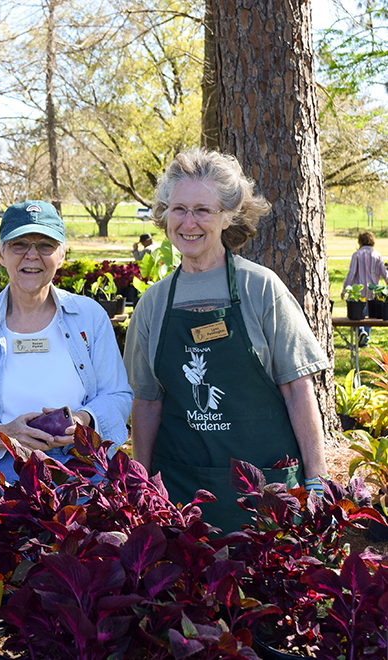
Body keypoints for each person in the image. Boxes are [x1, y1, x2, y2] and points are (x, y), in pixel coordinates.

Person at [123, 149, 329, 533]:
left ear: (227, 216)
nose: (189, 222)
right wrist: (142, 480)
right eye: (179, 209)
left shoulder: (261, 288)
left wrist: (317, 480)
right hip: (182, 495)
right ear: (165, 214)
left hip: (265, 493)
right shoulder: (152, 304)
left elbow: (298, 389)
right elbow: (147, 402)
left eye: (203, 210)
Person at [0, 200, 133, 484]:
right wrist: (2, 434)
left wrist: (84, 420)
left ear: (61, 254)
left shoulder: (90, 317)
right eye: (19, 244)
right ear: (0, 252)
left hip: (80, 468)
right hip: (1, 472)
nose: (32, 255)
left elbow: (118, 396)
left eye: (45, 245)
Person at [341, 231, 388, 347]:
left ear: (360, 241)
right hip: (373, 290)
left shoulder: (357, 255)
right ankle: (365, 337)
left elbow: (352, 274)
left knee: (357, 314)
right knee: (370, 314)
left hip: (359, 290)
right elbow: (384, 273)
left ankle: (360, 332)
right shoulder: (377, 255)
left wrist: (345, 289)